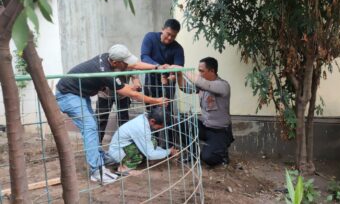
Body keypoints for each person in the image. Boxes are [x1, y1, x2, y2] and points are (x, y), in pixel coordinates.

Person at [55, 44, 167, 183]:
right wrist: (155, 101)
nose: (128, 64)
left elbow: (134, 66)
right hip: (68, 94)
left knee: (93, 126)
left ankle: (99, 157)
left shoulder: (107, 58)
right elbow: (133, 94)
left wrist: (157, 67)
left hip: (80, 93)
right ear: (115, 62)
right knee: (89, 126)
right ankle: (96, 171)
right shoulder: (106, 72)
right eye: (125, 62)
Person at [173, 57, 234, 166]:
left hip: (220, 131)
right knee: (181, 123)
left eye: (202, 71)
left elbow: (202, 83)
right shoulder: (202, 85)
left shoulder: (223, 85)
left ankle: (222, 153)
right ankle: (193, 154)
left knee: (208, 158)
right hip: (206, 126)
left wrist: (181, 69)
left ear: (212, 71)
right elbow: (185, 88)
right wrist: (178, 74)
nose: (199, 74)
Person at [141, 19, 185, 147]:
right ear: (162, 29)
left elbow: (179, 67)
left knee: (168, 112)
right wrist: (158, 67)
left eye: (173, 36)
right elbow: (144, 57)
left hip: (168, 83)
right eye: (168, 33)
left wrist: (171, 71)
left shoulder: (178, 48)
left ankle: (169, 146)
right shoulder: (150, 37)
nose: (170, 37)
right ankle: (152, 145)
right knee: (151, 112)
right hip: (151, 80)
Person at [108, 107, 178, 174]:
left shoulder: (144, 119)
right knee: (141, 152)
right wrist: (168, 152)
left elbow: (150, 145)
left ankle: (130, 162)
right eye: (160, 127)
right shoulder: (141, 128)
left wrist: (166, 151)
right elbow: (150, 154)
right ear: (152, 121)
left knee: (153, 141)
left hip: (123, 148)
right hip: (118, 153)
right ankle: (124, 169)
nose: (159, 129)